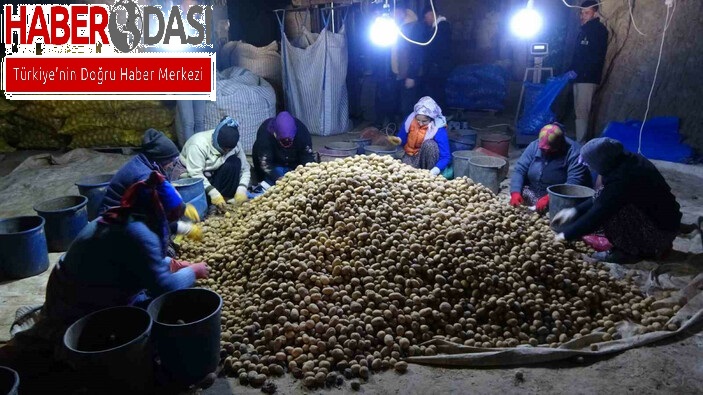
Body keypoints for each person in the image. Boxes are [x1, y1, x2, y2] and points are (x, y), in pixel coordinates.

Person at [1, 172, 209, 367]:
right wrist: (194, 271)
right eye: (171, 217)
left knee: (158, 278)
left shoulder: (130, 214)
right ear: (158, 212)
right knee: (147, 316)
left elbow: (142, 251)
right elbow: (164, 287)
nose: (172, 222)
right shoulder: (140, 234)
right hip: (76, 298)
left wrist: (173, 260)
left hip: (72, 281)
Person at [552, 138, 682, 263]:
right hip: (666, 221)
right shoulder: (625, 160)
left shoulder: (625, 179)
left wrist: (565, 235)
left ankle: (631, 252)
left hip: (659, 233)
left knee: (611, 214)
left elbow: (597, 215)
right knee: (604, 199)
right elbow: (602, 196)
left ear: (601, 162)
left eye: (590, 163)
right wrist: (574, 210)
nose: (589, 167)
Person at [98, 129, 201, 240]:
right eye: (171, 160)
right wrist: (181, 228)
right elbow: (153, 216)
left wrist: (183, 207)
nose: (172, 164)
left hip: (129, 214)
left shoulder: (146, 162)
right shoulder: (143, 177)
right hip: (114, 222)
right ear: (161, 160)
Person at [509, 123, 591, 213]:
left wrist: (550, 197)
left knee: (564, 210)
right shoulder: (535, 145)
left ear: (559, 145)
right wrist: (515, 192)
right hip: (535, 190)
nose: (545, 152)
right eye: (543, 149)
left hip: (560, 194)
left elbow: (573, 184)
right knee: (520, 196)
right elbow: (520, 170)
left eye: (550, 149)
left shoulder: (575, 153)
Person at [172, 116, 251, 209]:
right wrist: (213, 193)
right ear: (217, 140)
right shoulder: (198, 144)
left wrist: (242, 189)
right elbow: (195, 173)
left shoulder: (235, 145)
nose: (226, 151)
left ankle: (224, 200)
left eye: (229, 150)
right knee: (199, 203)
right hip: (192, 174)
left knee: (234, 162)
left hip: (213, 171)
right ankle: (212, 201)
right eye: (224, 149)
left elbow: (245, 168)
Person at [373, 1, 424, 127]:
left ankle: (409, 136)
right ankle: (394, 132)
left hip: (408, 73)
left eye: (395, 12)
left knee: (407, 107)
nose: (393, 15)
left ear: (402, 11)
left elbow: (418, 53)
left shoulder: (414, 27)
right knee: (392, 104)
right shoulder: (391, 26)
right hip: (394, 72)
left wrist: (412, 75)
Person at [570, 0, 608, 143]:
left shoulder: (599, 30)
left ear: (595, 13)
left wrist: (582, 72)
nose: (582, 15)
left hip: (587, 77)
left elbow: (596, 56)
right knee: (579, 111)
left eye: (586, 12)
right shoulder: (583, 30)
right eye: (581, 12)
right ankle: (580, 140)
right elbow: (579, 54)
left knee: (582, 111)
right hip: (578, 77)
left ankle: (581, 143)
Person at [388, 96, 451, 175]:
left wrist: (436, 169)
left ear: (431, 118)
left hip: (425, 158)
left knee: (430, 145)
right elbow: (403, 138)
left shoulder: (438, 128)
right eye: (418, 120)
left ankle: (429, 174)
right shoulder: (410, 119)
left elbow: (446, 156)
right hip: (410, 155)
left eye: (424, 121)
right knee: (404, 173)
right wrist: (398, 140)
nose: (420, 123)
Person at [252, 111, 315, 187]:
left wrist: (307, 173)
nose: (287, 144)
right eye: (283, 141)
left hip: (293, 163)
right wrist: (278, 178)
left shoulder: (302, 132)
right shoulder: (265, 135)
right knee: (270, 183)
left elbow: (307, 156)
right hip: (275, 164)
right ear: (275, 134)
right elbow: (265, 163)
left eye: (289, 141)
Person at [420, 5, 452, 110]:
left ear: (432, 14)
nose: (425, 20)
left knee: (438, 91)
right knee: (436, 91)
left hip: (439, 67)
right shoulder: (437, 27)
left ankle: (443, 114)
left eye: (426, 17)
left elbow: (437, 47)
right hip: (437, 66)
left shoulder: (442, 27)